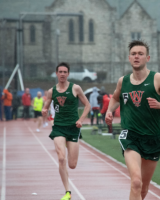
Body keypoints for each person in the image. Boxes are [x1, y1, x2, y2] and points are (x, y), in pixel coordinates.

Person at [105, 40, 160, 200]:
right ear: (129, 58)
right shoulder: (123, 81)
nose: (136, 56)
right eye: (133, 54)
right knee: (136, 182)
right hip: (131, 136)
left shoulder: (158, 79)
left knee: (144, 189)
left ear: (148, 58)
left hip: (152, 138)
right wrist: (109, 111)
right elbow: (115, 98)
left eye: (140, 54)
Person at [42, 62, 91, 200]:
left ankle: (68, 187)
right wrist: (44, 111)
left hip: (73, 128)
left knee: (72, 164)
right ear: (57, 73)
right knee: (61, 158)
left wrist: (81, 120)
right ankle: (68, 192)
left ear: (68, 74)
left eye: (65, 72)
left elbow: (87, 105)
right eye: (60, 72)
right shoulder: (52, 91)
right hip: (58, 127)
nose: (62, 74)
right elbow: (45, 107)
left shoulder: (75, 88)